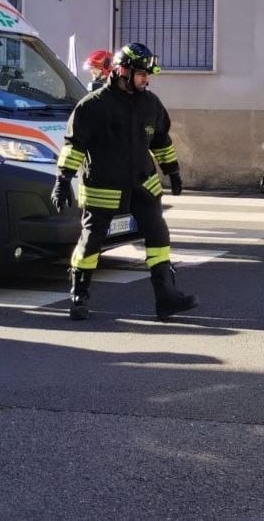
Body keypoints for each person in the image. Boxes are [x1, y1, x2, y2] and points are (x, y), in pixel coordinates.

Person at [50, 41, 198, 321]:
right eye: (141, 74)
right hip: (103, 186)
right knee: (91, 241)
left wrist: (173, 171)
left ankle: (166, 297)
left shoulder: (151, 103)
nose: (146, 79)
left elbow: (161, 140)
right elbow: (74, 146)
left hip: (143, 184)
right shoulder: (92, 106)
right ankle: (79, 296)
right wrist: (63, 180)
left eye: (147, 74)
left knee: (158, 235)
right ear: (122, 72)